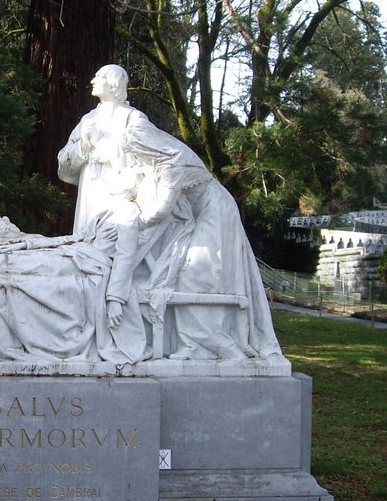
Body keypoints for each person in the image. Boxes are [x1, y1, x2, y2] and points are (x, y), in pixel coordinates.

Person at [59, 65, 283, 361]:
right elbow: (65, 163)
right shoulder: (88, 120)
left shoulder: (135, 123)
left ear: (114, 85)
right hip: (96, 201)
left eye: (98, 77)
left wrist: (133, 201)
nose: (91, 80)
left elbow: (156, 176)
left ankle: (205, 341)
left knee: (198, 272)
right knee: (93, 261)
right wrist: (86, 147)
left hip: (134, 198)